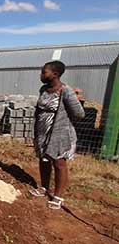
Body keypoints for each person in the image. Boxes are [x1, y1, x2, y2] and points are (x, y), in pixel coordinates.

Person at [30, 61, 85, 210]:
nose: (41, 75)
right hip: (42, 131)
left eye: (44, 72)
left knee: (59, 163)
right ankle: (44, 188)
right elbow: (39, 109)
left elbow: (79, 113)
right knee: (44, 159)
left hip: (59, 132)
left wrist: (62, 120)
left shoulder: (65, 91)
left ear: (55, 74)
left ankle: (58, 196)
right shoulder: (44, 89)